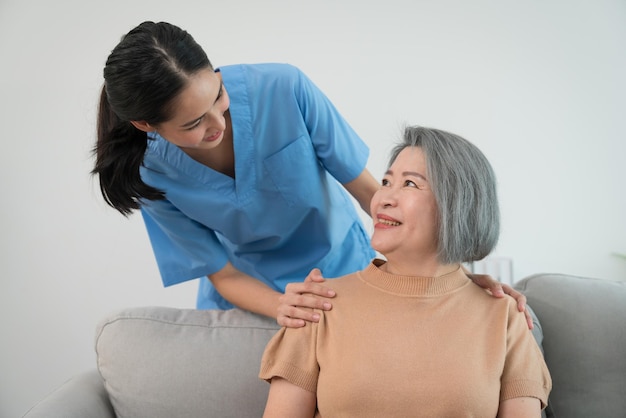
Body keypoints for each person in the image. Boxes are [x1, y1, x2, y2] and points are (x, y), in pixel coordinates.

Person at [92, 21, 530, 327]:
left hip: (344, 267)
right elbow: (221, 273)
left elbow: (369, 192)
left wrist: (456, 278)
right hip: (251, 294)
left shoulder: (283, 88)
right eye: (193, 125)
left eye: (219, 97)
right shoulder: (144, 171)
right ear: (147, 126)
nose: (218, 124)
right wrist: (282, 305)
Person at [259, 126, 552, 417]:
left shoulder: (504, 317)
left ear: (458, 205)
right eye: (386, 182)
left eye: (410, 184)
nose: (383, 198)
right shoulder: (317, 304)